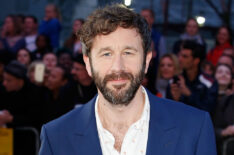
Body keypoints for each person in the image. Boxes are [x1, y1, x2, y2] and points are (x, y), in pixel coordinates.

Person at [39, 4, 216, 155]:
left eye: (128, 53)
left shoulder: (194, 128)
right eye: (106, 54)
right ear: (88, 64)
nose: (118, 67)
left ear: (146, 61)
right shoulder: (57, 136)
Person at [167, 40, 218, 113]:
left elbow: (208, 111)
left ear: (196, 61)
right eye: (180, 55)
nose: (180, 59)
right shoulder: (174, 81)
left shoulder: (209, 83)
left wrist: (189, 94)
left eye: (185, 56)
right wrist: (175, 100)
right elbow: (169, 111)